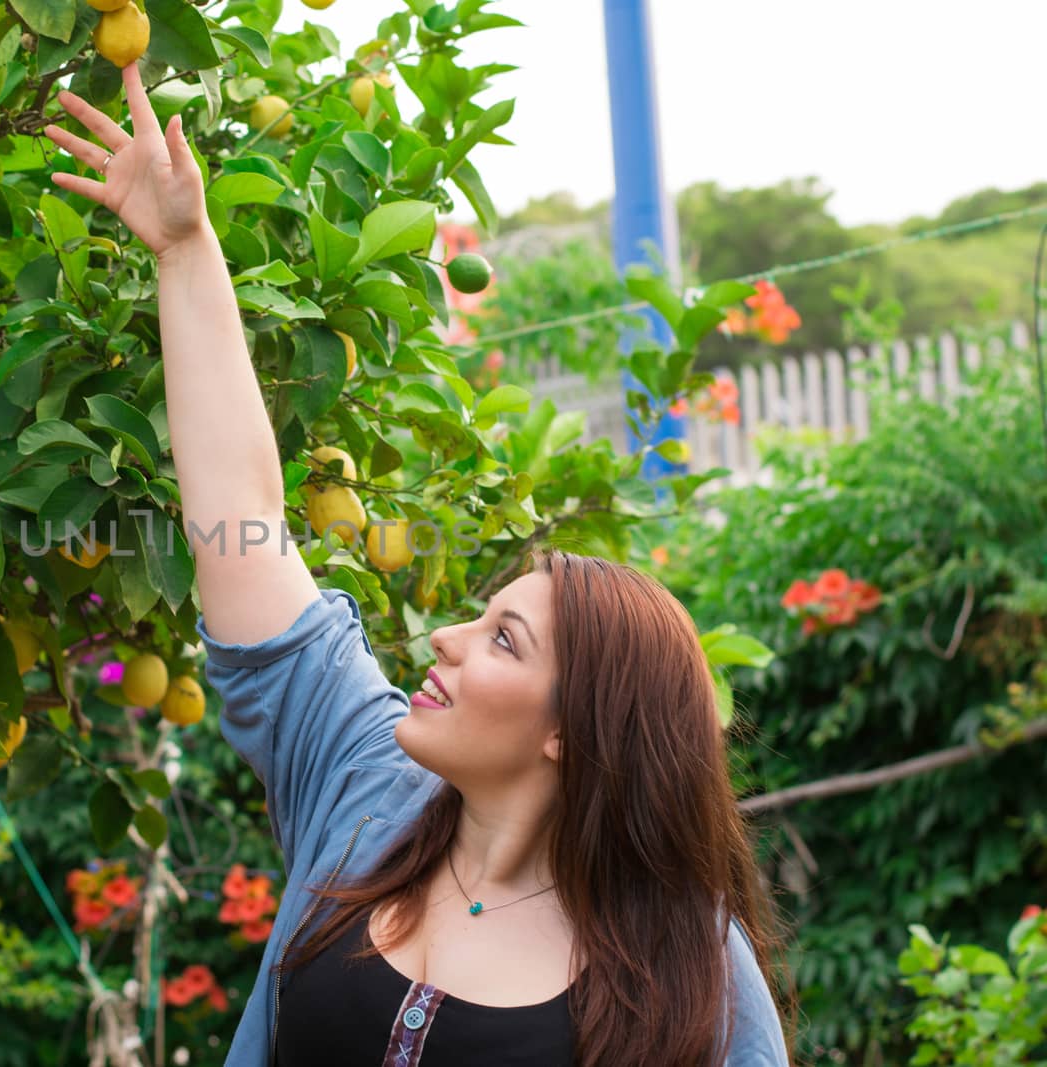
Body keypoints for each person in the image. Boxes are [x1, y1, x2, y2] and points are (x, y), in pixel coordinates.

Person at [46, 64, 794, 1067]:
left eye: (502, 637)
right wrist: (183, 250)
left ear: (571, 729)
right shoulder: (365, 781)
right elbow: (241, 518)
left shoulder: (690, 971)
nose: (446, 632)